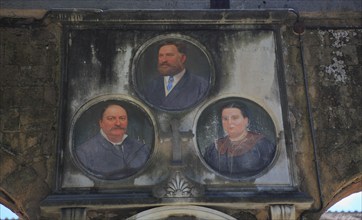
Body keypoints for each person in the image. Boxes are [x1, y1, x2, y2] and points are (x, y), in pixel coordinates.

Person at [75, 103, 151, 179]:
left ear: (127, 121)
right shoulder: (84, 153)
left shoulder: (142, 149)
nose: (118, 123)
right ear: (101, 123)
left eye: (122, 118)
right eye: (111, 118)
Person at [203, 103, 276, 178]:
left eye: (234, 118)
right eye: (225, 119)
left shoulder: (262, 145)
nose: (229, 123)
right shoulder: (213, 148)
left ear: (246, 121)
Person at [144, 40, 209, 110]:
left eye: (169, 55)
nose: (163, 60)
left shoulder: (201, 86)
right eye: (161, 56)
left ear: (182, 58)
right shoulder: (151, 87)